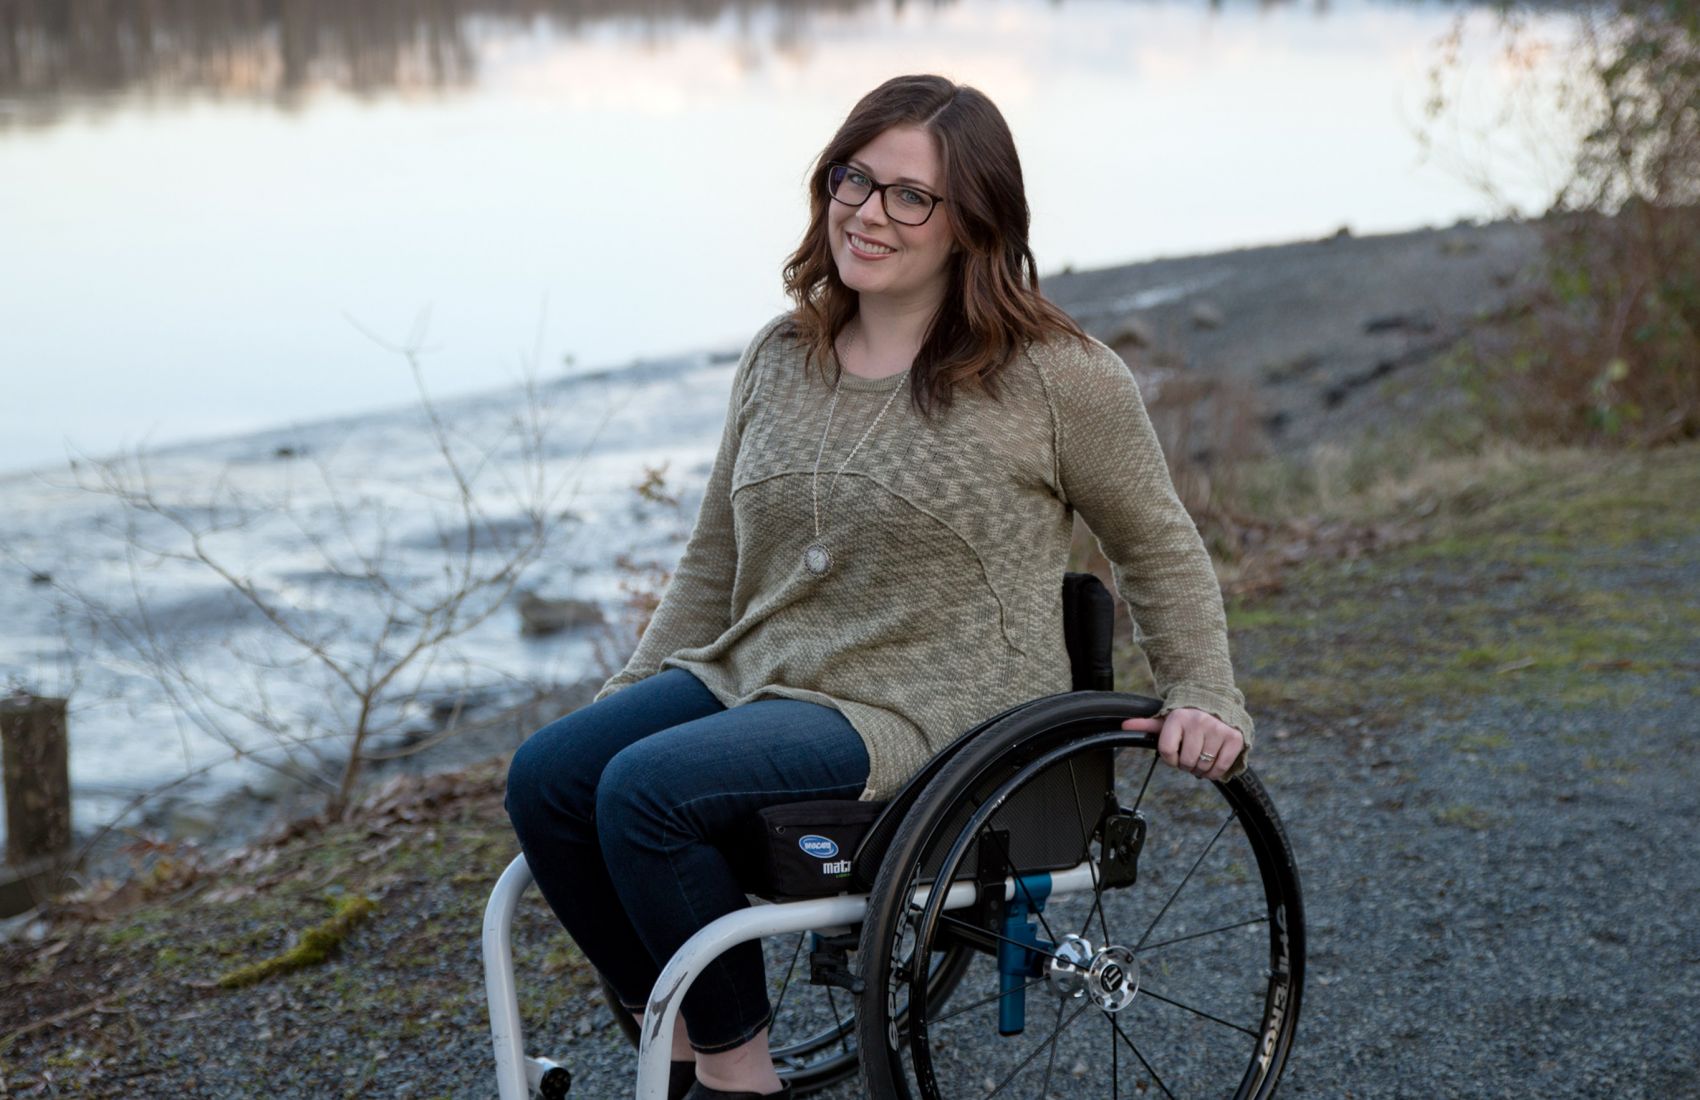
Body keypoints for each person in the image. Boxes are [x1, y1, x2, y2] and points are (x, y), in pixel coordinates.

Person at [504, 73, 1254, 1100]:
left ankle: (737, 1076)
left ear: (971, 223)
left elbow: (1156, 544)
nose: (867, 212)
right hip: (766, 672)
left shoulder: (1054, 375)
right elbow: (714, 559)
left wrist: (1205, 692)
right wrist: (628, 694)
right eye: (853, 179)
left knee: (645, 792)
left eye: (910, 196)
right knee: (550, 774)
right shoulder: (781, 355)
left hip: (929, 702)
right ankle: (671, 1040)